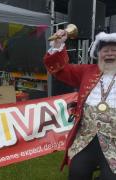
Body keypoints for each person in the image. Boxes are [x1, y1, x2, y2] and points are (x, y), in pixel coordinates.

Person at [43, 29, 116, 180]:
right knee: (77, 173)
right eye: (105, 50)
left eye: (114, 50)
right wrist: (58, 45)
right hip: (85, 139)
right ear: (98, 53)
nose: (109, 54)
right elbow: (59, 70)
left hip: (114, 141)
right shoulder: (87, 71)